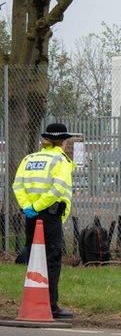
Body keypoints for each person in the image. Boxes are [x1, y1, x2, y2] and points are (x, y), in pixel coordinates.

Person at [13, 123, 77, 319]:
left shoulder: (30, 158)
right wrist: (40, 206)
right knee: (51, 259)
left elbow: (17, 185)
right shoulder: (61, 160)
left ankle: (33, 300)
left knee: (34, 258)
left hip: (31, 216)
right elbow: (57, 190)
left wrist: (28, 207)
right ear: (63, 142)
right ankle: (51, 305)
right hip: (49, 216)